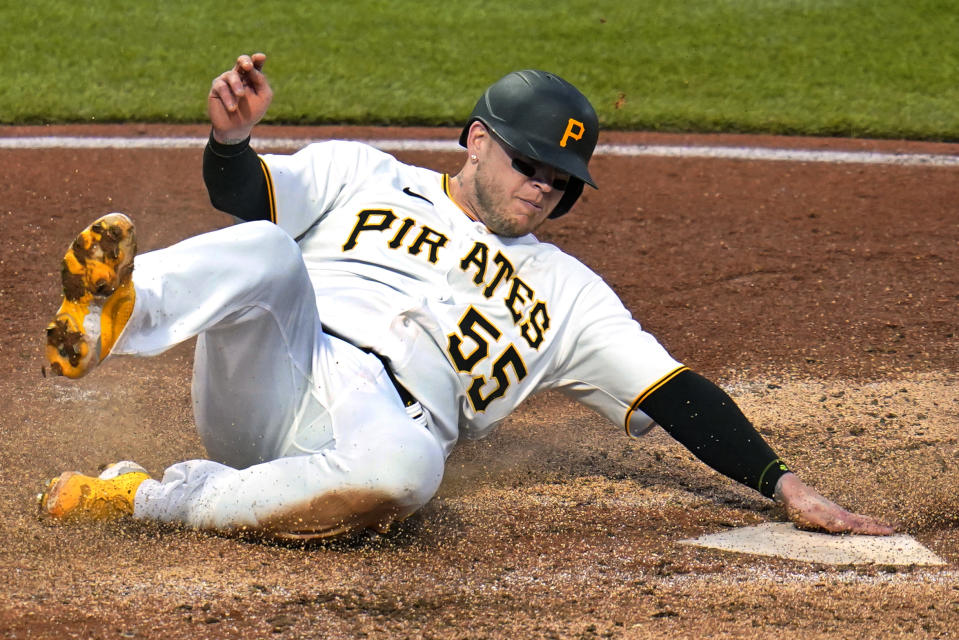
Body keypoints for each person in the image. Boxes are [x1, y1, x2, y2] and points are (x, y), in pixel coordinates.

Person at [39, 53, 893, 539]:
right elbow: (243, 194)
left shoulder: (567, 292)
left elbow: (675, 392)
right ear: (478, 142)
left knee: (413, 471)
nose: (543, 190)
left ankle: (140, 496)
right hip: (285, 361)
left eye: (563, 183)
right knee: (268, 249)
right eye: (529, 165)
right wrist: (230, 139)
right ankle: (118, 310)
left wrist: (782, 483)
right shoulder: (362, 174)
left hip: (388, 420)